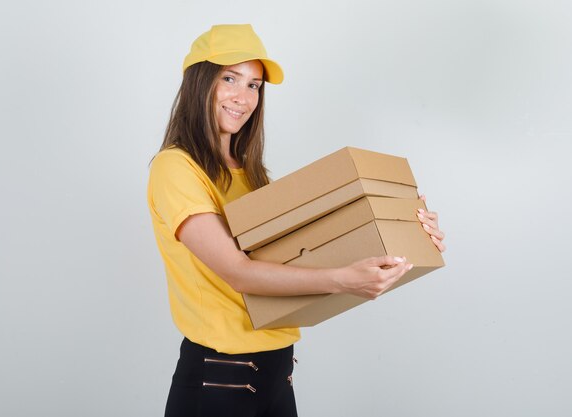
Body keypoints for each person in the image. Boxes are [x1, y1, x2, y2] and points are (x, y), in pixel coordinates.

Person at [147, 24, 446, 417]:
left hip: (276, 371)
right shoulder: (176, 168)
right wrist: (344, 279)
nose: (244, 97)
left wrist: (406, 233)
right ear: (199, 82)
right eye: (230, 79)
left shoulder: (251, 174)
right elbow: (239, 272)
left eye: (254, 85)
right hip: (219, 378)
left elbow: (297, 261)